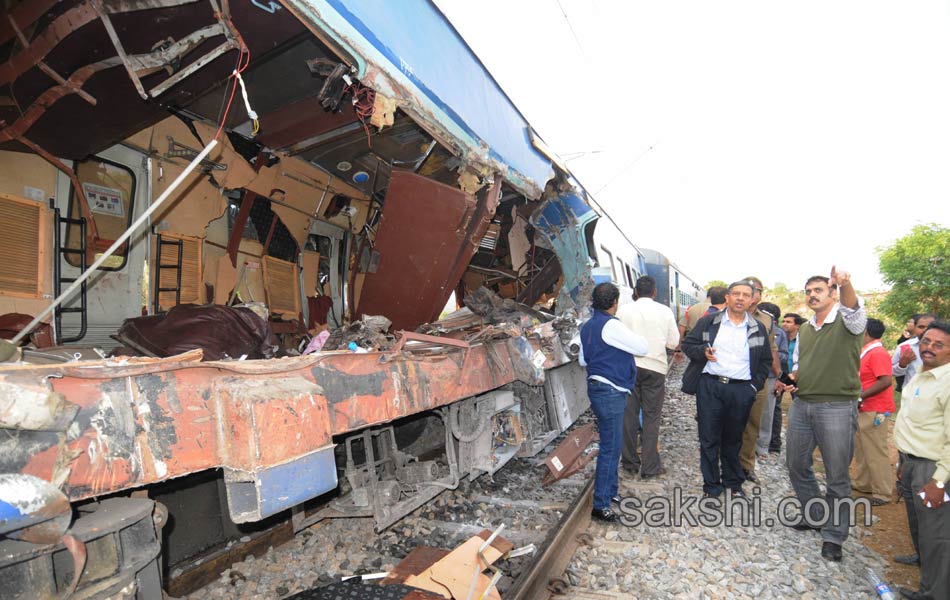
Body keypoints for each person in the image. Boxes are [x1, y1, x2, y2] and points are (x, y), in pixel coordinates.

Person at [778, 267, 866, 562]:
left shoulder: (848, 320)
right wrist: (791, 377)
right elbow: (802, 364)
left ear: (832, 294)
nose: (811, 295)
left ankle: (834, 535)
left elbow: (853, 306)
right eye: (808, 291)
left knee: (837, 474)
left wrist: (846, 283)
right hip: (803, 403)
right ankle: (815, 515)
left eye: (818, 290)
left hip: (837, 406)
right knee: (796, 463)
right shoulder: (804, 328)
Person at [681, 281, 772, 499]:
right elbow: (687, 345)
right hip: (711, 387)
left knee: (734, 439)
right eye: (736, 294)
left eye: (746, 295)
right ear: (728, 298)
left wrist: (753, 386)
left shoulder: (756, 327)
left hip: (741, 390)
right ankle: (711, 487)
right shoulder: (710, 322)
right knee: (709, 438)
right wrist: (703, 352)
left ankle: (733, 483)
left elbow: (765, 360)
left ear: (752, 300)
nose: (740, 298)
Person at [578, 282, 648, 522]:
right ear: (615, 302)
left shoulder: (588, 326)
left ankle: (611, 492)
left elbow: (583, 360)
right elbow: (642, 347)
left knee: (613, 444)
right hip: (610, 391)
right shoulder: (611, 325)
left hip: (599, 388)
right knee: (610, 448)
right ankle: (601, 505)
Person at [893, 320, 950, 600]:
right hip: (912, 463)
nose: (929, 348)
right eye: (926, 342)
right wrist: (903, 463)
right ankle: (923, 564)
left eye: (939, 345)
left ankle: (934, 593)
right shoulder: (922, 375)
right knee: (920, 526)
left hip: (933, 469)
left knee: (936, 536)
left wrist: (939, 481)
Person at [617, 276, 680, 479]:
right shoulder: (665, 312)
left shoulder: (623, 310)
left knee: (629, 416)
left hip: (628, 367)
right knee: (652, 418)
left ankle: (629, 462)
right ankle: (650, 466)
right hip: (655, 368)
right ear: (654, 292)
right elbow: (673, 343)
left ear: (635, 292)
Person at [738, 276, 780, 484]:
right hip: (731, 378)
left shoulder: (766, 319)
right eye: (755, 290)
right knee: (727, 423)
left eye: (759, 291)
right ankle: (725, 463)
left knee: (752, 424)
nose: (758, 294)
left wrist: (777, 375)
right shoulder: (727, 315)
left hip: (757, 380)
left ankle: (746, 466)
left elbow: (772, 348)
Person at [853, 318, 895, 506]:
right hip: (866, 407)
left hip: (875, 407)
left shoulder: (877, 353)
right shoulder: (868, 352)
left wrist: (861, 395)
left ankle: (883, 491)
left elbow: (885, 380)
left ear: (866, 333)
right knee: (862, 448)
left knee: (876, 451)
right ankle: (864, 483)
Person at [755, 302, 788, 459]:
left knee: (768, 413)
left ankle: (763, 446)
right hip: (751, 376)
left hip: (769, 376)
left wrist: (766, 352)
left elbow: (782, 355)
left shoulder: (779, 333)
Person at [770, 312, 804, 454]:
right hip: (782, 374)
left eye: (788, 322)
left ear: (797, 325)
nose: (784, 324)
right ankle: (775, 443)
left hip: (799, 376)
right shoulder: (781, 337)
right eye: (783, 321)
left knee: (800, 406)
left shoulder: (802, 339)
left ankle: (800, 445)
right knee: (775, 406)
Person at [892, 313, 937, 393]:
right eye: (921, 327)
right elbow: (892, 372)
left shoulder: (946, 347)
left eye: (930, 327)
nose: (925, 330)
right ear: (915, 328)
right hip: (911, 395)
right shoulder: (905, 347)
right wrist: (902, 364)